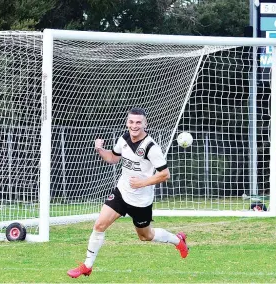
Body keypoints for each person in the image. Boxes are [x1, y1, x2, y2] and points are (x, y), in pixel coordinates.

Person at [67, 107, 188, 278]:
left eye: (138, 122)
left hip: (141, 201)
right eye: (131, 121)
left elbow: (164, 174)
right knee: (99, 225)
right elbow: (113, 158)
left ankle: (178, 240)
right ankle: (87, 265)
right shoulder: (123, 139)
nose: (134, 125)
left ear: (145, 124)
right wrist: (100, 150)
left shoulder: (151, 147)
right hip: (122, 192)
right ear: (127, 123)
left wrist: (142, 182)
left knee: (146, 236)